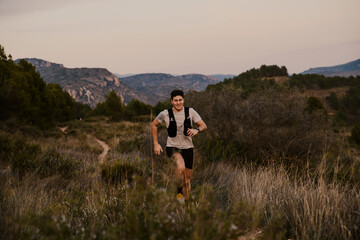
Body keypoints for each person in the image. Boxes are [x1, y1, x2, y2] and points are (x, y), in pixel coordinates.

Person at [152, 89, 207, 201]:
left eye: (180, 100)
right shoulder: (165, 114)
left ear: (183, 100)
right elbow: (154, 125)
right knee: (180, 167)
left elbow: (203, 125)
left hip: (188, 148)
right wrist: (156, 144)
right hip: (172, 147)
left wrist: (196, 130)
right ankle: (178, 192)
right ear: (171, 101)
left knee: (187, 180)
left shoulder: (190, 112)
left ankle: (185, 205)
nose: (178, 102)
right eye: (175, 100)